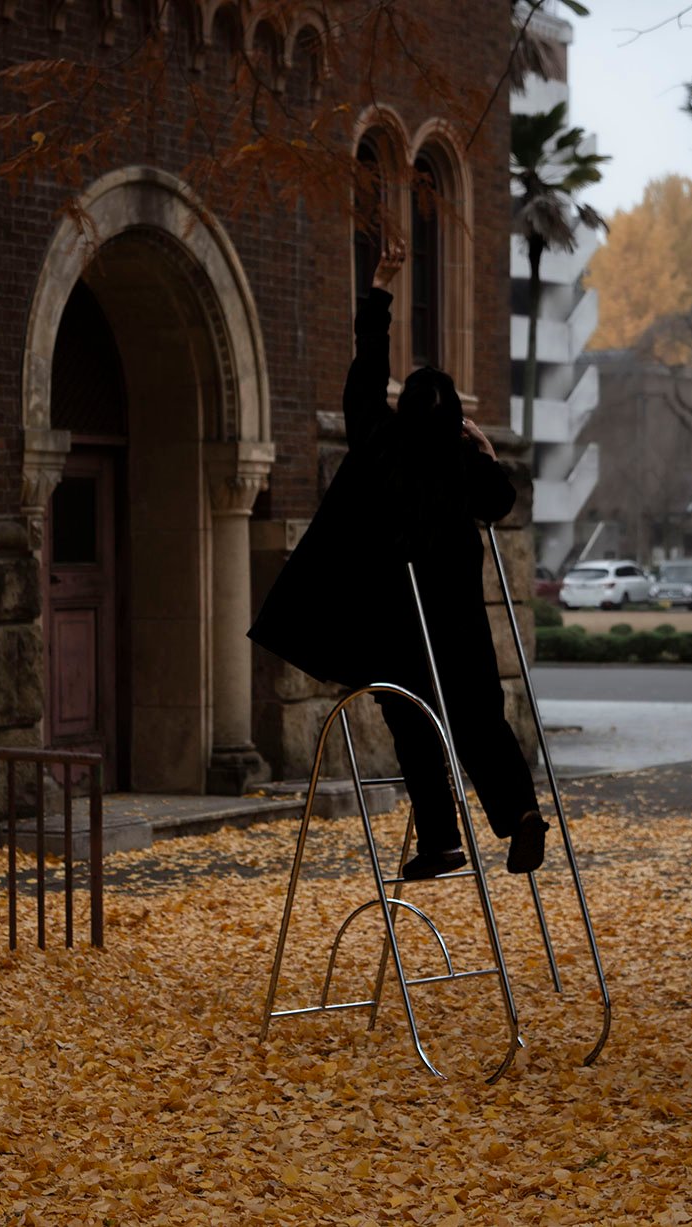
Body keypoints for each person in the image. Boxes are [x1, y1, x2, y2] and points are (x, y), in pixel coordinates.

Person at [248, 241, 548, 879]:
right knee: (480, 720)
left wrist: (380, 290)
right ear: (454, 424)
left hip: (396, 626)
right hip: (460, 624)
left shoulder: (380, 444)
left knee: (414, 725)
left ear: (402, 409)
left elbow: (365, 373)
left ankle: (441, 839)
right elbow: (501, 500)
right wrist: (487, 452)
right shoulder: (461, 464)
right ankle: (519, 812)